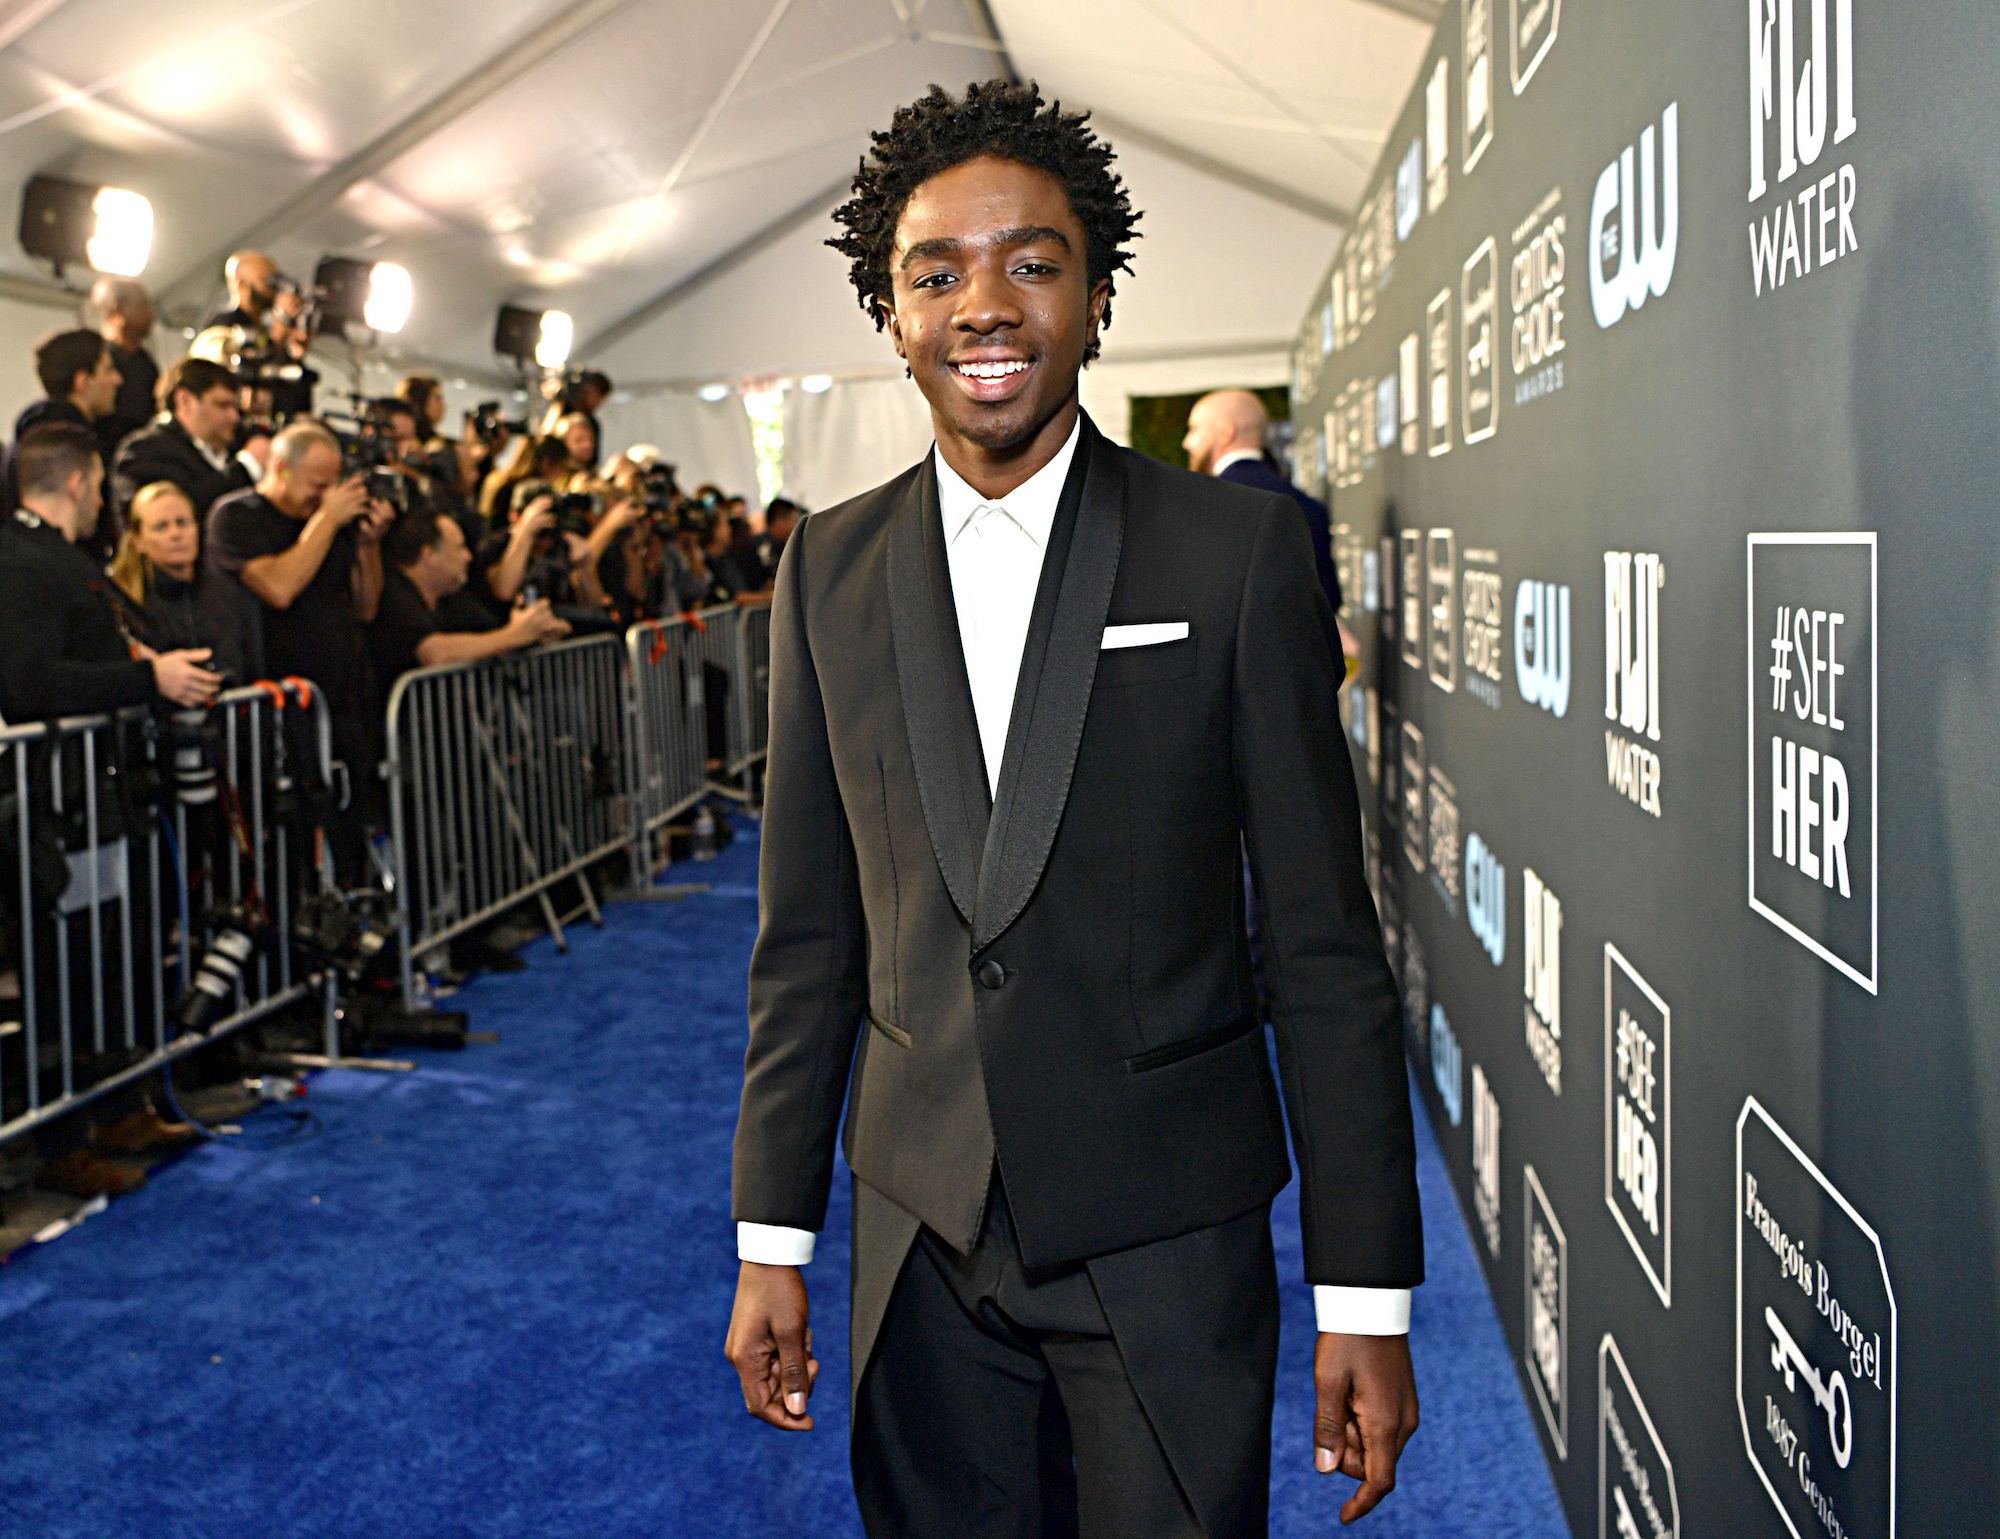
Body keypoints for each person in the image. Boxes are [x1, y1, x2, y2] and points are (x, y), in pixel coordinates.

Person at [726, 81, 1421, 1538]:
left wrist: (1365, 1288)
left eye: (1032, 262)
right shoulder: (827, 571)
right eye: (937, 272)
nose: (984, 303)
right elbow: (808, 940)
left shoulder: (1231, 556)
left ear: (1097, 298)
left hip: (1167, 1234)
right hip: (921, 1235)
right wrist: (772, 1234)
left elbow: (1322, 944)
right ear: (892, 311)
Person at [0, 424, 220, 1198]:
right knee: (68, 970)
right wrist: (145, 680)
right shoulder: (25, 563)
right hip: (63, 802)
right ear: (80, 482)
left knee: (113, 958)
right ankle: (67, 1138)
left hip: (96, 794)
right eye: (99, 488)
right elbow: (26, 686)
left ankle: (119, 1105)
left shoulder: (56, 559)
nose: (103, 501)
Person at [205, 421, 394, 801]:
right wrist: (327, 520)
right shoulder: (237, 516)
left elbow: (366, 606)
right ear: (280, 470)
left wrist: (368, 545)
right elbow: (279, 589)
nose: (326, 497)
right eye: (318, 486)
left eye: (333, 485)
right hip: (280, 706)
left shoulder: (332, 524)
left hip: (344, 699)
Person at [1184, 389, 1345, 617]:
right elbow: (1328, 601)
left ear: (1226, 431)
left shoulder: (1200, 508)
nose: (1186, 442)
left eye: (1194, 429)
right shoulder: (1309, 507)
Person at [368, 510, 569, 686]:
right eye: (459, 547)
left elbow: (489, 632)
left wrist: (536, 631)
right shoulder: (393, 595)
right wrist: (515, 635)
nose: (468, 557)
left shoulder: (453, 597)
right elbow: (435, 653)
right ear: (429, 555)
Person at [108, 481, 251, 682]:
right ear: (138, 540)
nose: (176, 534)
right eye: (161, 527)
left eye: (182, 522)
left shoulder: (227, 593)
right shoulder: (126, 602)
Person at [109, 356, 249, 523]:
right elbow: (172, 515)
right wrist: (246, 467)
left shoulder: (237, 446)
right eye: (222, 405)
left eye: (236, 407)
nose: (234, 417)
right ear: (184, 400)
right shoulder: (143, 451)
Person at [6, 329, 121, 522]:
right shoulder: (69, 444)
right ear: (82, 381)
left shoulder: (30, 436)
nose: (118, 380)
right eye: (108, 370)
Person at [91, 276, 160, 464]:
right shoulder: (95, 359)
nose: (151, 315)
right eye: (142, 306)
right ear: (117, 309)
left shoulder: (145, 362)